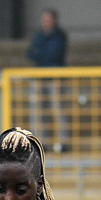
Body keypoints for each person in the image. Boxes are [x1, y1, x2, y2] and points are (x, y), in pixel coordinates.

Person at [27, 10, 69, 152]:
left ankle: (63, 142)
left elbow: (54, 55)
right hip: (39, 77)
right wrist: (42, 54)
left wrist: (40, 54)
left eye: (49, 19)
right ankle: (40, 141)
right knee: (38, 111)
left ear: (54, 20)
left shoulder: (60, 36)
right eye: (44, 19)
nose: (46, 22)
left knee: (58, 110)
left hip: (54, 78)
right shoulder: (38, 35)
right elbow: (30, 53)